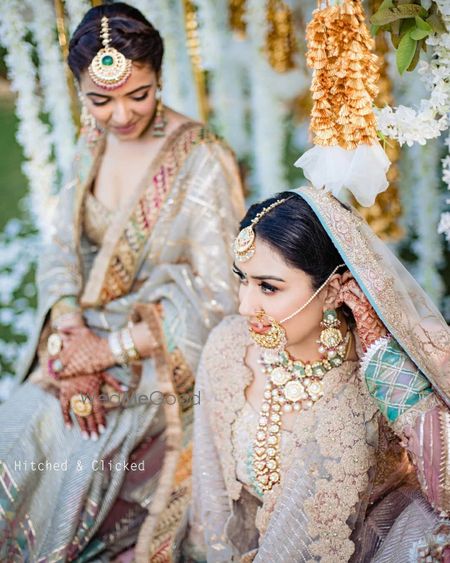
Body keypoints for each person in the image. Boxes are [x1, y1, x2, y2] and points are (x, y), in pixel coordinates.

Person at [0, 2, 244, 561]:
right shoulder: (92, 143)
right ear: (81, 93)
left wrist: (104, 352)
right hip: (77, 341)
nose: (121, 115)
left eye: (140, 94)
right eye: (99, 100)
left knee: (54, 454)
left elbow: (219, 295)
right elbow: (60, 245)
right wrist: (68, 339)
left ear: (160, 78)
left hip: (155, 358)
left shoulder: (202, 159)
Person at [183, 186, 450, 562]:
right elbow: (212, 503)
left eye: (268, 287)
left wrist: (384, 367)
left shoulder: (379, 373)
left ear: (333, 290)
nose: (244, 306)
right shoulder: (228, 349)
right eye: (242, 279)